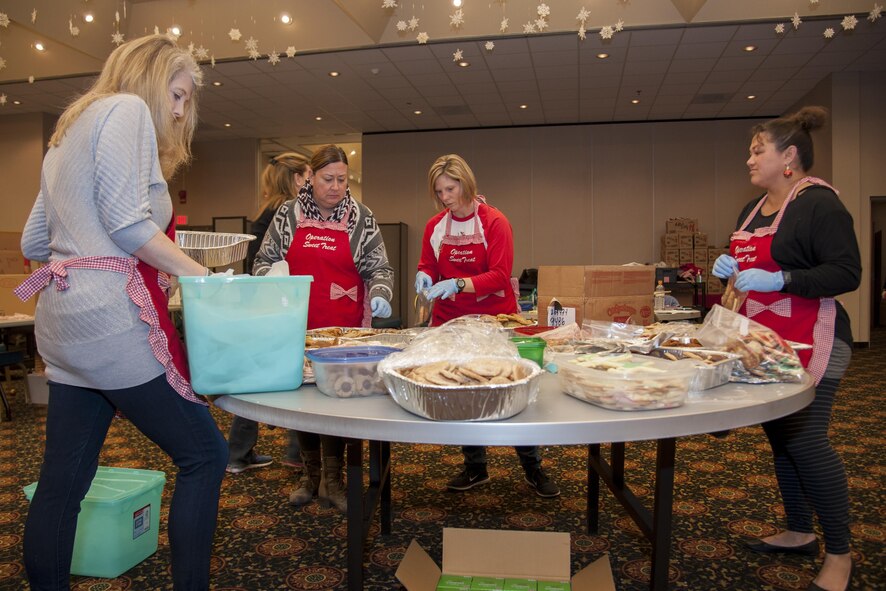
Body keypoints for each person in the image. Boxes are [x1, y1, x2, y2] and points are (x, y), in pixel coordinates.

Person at [16, 35, 228, 590]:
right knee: (205, 454)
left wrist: (83, 256)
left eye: (187, 101)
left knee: (62, 483)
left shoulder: (67, 131)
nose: (180, 111)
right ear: (149, 76)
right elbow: (129, 226)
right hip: (110, 320)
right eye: (176, 94)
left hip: (61, 321)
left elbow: (36, 238)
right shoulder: (127, 109)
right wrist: (208, 280)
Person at [712, 106, 860, 591]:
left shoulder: (819, 204)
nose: (749, 160)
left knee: (806, 441)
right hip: (765, 344)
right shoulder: (750, 211)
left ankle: (840, 553)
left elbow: (846, 273)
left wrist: (783, 278)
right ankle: (800, 530)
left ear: (789, 156)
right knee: (782, 442)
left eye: (758, 151)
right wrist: (729, 269)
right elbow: (745, 274)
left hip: (814, 339)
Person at [253, 144, 394, 511]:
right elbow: (264, 260)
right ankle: (309, 474)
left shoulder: (360, 217)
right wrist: (272, 277)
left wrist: (380, 292)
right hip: (297, 324)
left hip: (343, 329)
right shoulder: (288, 214)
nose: (335, 186)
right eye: (328, 179)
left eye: (342, 179)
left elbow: (380, 266)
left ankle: (334, 480)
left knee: (336, 401)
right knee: (303, 400)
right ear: (311, 177)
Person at [415, 154, 560, 498]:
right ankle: (475, 466)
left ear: (466, 184)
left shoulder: (494, 222)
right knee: (464, 392)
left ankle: (532, 466)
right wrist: (424, 274)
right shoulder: (435, 225)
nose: (445, 196)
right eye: (439, 191)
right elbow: (427, 263)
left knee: (511, 391)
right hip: (451, 323)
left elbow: (498, 274)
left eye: (450, 188)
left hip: (494, 320)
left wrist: (459, 283)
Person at [226, 153, 312, 474]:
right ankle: (296, 451)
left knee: (257, 378)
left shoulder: (264, 211)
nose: (313, 183)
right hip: (277, 307)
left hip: (261, 305)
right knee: (296, 375)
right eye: (308, 176)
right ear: (296, 179)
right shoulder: (287, 214)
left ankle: (239, 453)